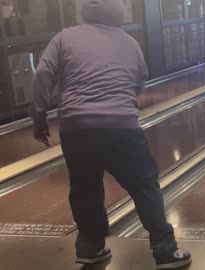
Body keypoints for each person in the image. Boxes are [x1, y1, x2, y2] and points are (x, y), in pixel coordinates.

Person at [29, 0, 191, 269]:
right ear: (119, 13)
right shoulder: (130, 42)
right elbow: (139, 82)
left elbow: (42, 75)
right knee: (144, 186)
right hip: (121, 128)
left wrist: (39, 117)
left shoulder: (64, 37)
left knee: (85, 189)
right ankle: (165, 252)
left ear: (84, 12)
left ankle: (90, 247)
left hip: (76, 128)